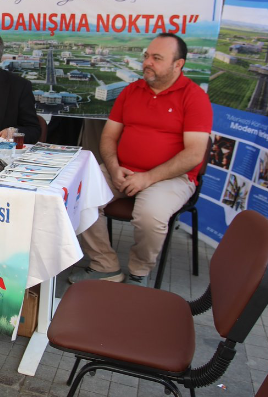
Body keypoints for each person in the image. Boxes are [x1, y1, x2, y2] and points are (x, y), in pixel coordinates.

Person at [77, 33, 212, 284]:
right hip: (122, 169)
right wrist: (114, 168)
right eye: (147, 56)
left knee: (149, 215)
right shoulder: (131, 91)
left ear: (178, 64)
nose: (147, 62)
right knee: (79, 195)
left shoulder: (194, 97)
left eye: (157, 58)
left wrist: (148, 178)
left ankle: (139, 271)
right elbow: (108, 137)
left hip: (170, 177)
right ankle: (105, 264)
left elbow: (194, 154)